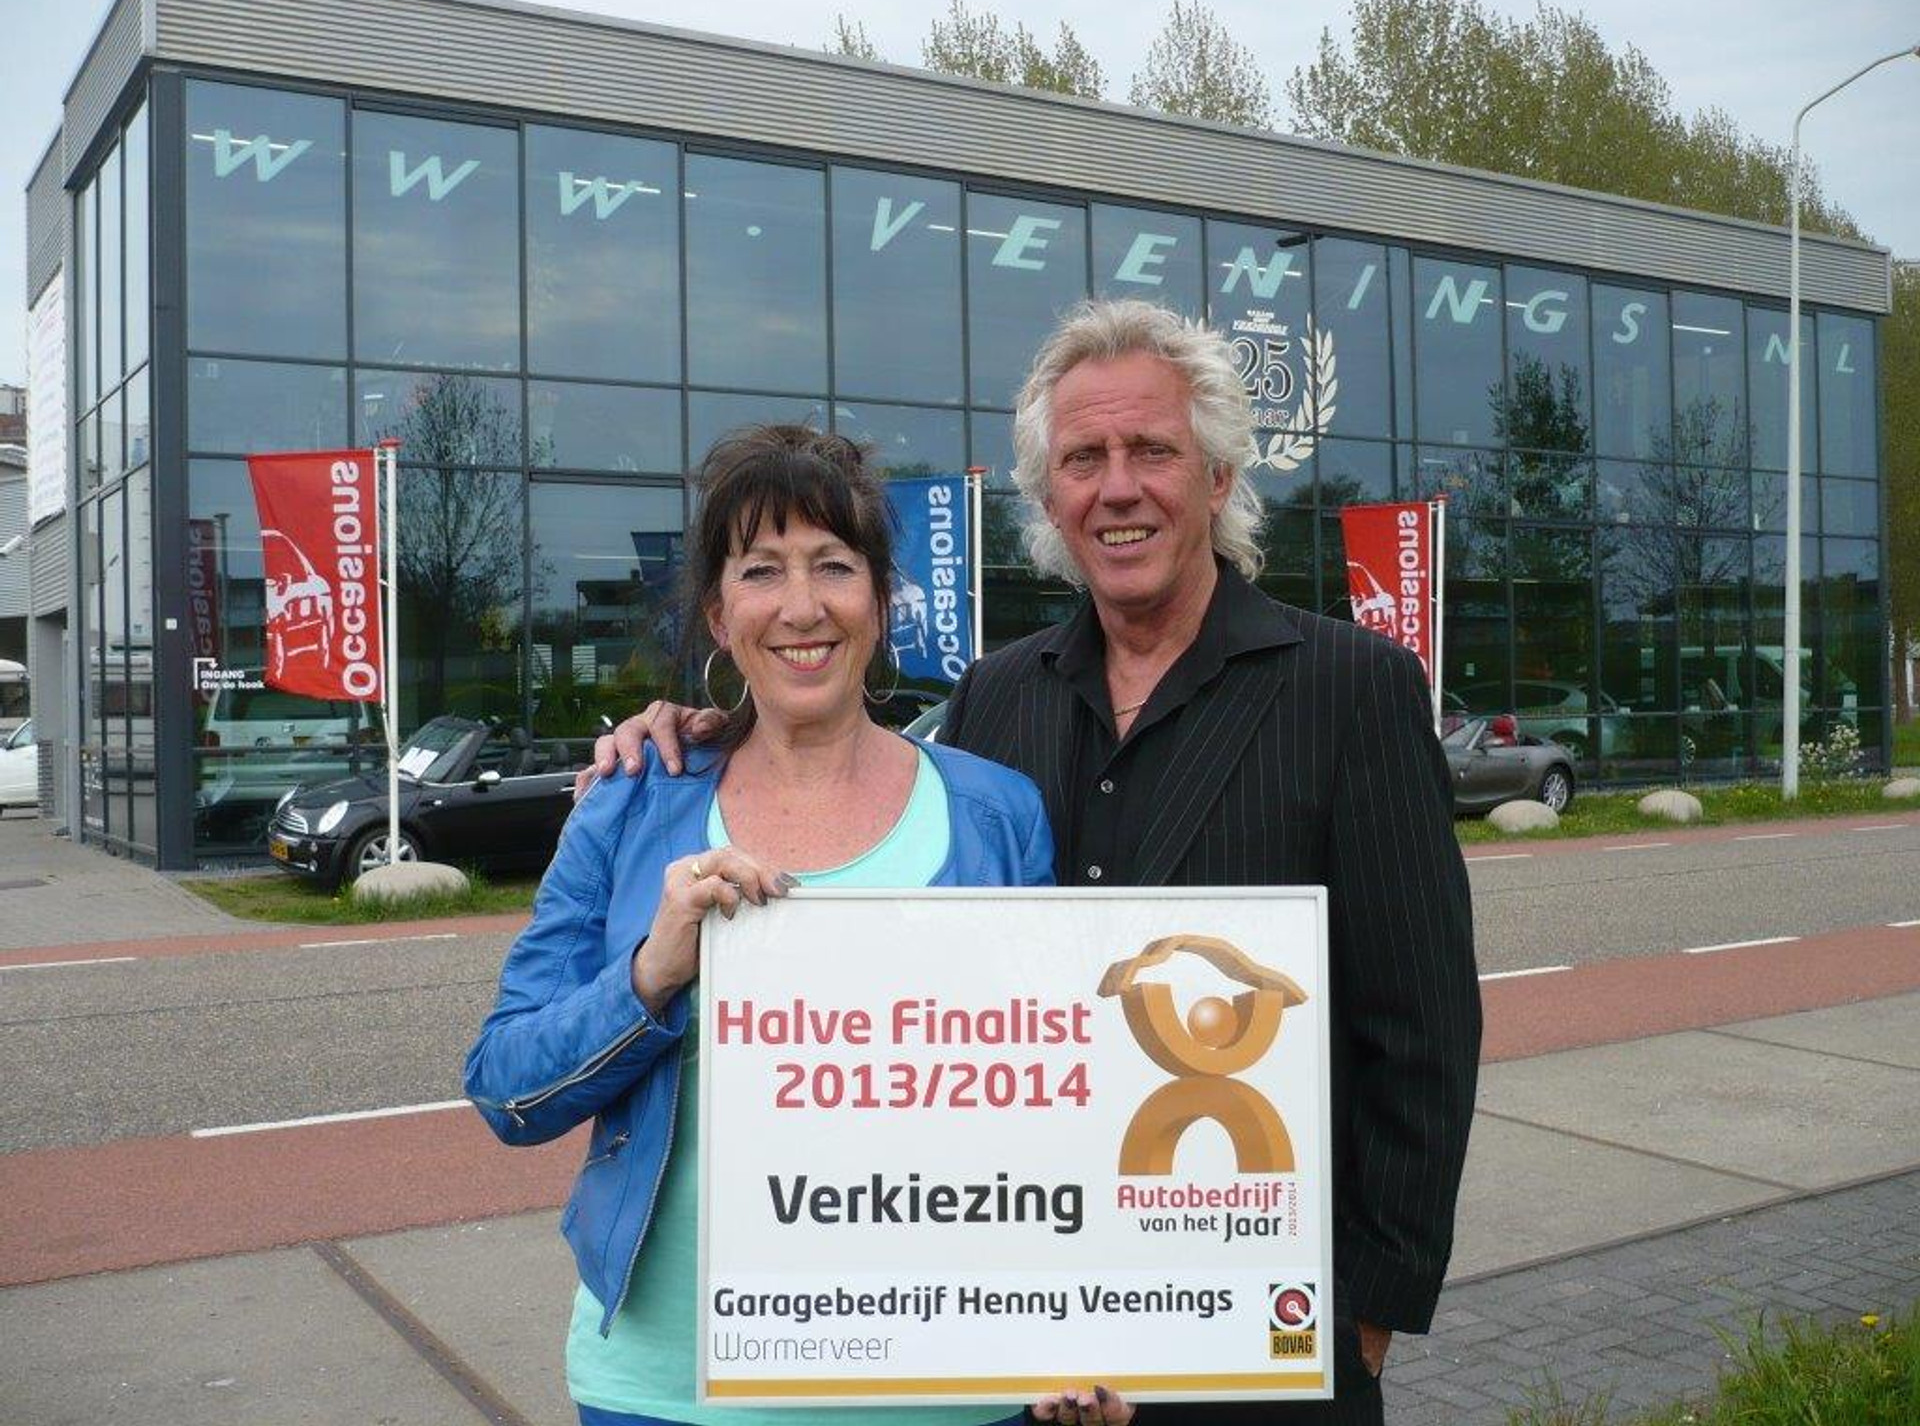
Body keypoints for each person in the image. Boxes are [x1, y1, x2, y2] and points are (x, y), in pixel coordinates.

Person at [589, 300, 1481, 1425]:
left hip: (1255, 1327)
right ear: (1051, 500)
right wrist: (703, 730)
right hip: (1040, 1344)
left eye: (1152, 451)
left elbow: (1424, 1026)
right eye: (1083, 460)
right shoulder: (998, 697)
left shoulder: (1350, 688)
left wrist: (1370, 1313)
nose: (1119, 488)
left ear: (1217, 477)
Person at [467, 424, 1052, 1426]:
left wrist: (1085, 1319)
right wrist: (651, 975)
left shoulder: (998, 814)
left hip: (950, 1383)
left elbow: (1057, 1109)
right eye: (761, 570)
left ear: (881, 598)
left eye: (834, 565)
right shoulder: (630, 804)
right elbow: (507, 1092)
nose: (801, 606)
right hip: (674, 1389)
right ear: (718, 612)